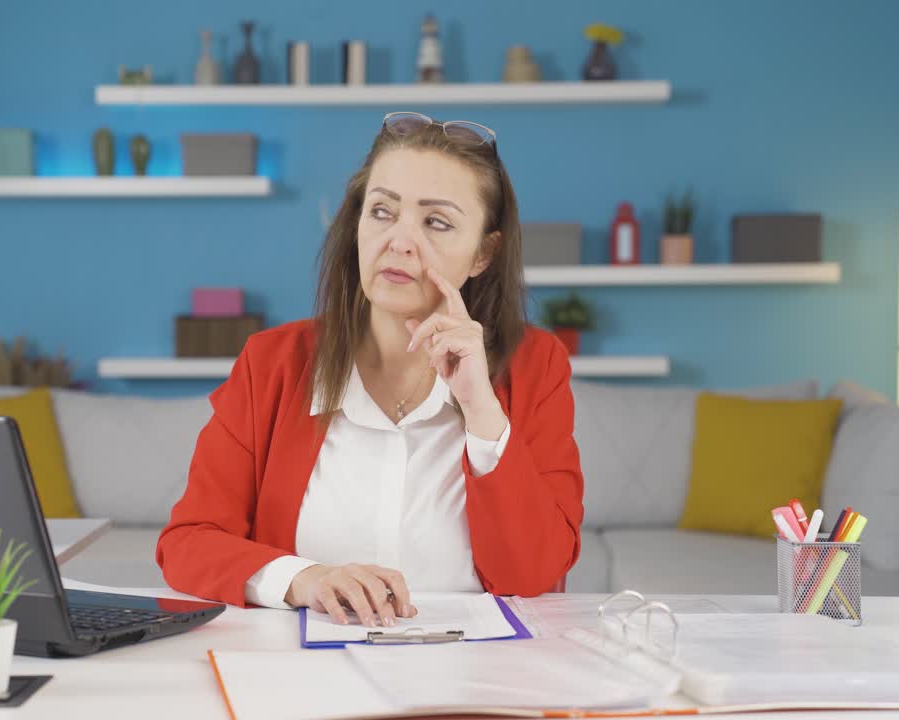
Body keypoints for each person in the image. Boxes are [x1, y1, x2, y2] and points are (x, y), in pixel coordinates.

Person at [157, 111, 584, 629]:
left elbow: (534, 575)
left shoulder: (536, 365)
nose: (399, 241)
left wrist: (480, 410)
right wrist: (303, 578)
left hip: (473, 680)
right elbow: (187, 543)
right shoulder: (271, 363)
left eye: (436, 222)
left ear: (483, 254)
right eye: (382, 211)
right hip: (303, 682)